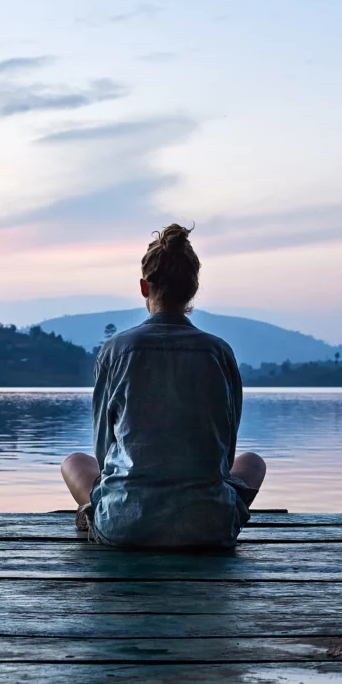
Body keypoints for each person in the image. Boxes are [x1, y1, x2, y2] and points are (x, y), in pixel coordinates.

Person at [61, 223, 266, 548]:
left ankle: (94, 514)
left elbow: (102, 451)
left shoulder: (115, 351)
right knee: (253, 462)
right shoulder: (218, 352)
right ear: (193, 290)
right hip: (208, 529)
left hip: (125, 527)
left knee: (75, 462)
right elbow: (226, 454)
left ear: (145, 287)